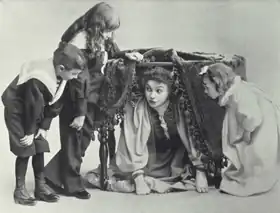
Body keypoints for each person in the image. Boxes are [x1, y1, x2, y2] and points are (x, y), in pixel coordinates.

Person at [44, 2, 143, 200]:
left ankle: (51, 176)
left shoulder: (97, 37)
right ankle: (71, 185)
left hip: (93, 96)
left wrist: (125, 54)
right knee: (75, 140)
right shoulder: (79, 41)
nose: (109, 36)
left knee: (83, 139)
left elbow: (108, 54)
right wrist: (80, 112)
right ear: (97, 26)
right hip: (77, 98)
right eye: (107, 31)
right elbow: (79, 80)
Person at [84, 65, 209, 195]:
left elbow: (192, 138)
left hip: (173, 159)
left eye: (159, 91)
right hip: (144, 158)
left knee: (185, 174)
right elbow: (130, 142)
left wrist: (200, 170)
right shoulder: (137, 108)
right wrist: (138, 178)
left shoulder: (179, 107)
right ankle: (139, 176)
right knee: (97, 177)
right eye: (148, 89)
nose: (152, 96)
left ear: (169, 91)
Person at [2, 43, 88, 206]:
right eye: (75, 73)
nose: (76, 77)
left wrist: (44, 126)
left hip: (35, 111)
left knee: (40, 144)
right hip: (18, 111)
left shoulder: (61, 75)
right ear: (61, 68)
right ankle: (19, 190)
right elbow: (31, 105)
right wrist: (29, 132)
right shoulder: (39, 78)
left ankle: (40, 186)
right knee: (25, 147)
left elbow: (55, 103)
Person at [199, 63, 280, 196]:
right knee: (246, 155)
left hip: (261, 126)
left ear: (218, 83)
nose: (205, 91)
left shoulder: (239, 94)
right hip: (257, 122)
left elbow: (253, 116)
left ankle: (255, 179)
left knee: (255, 155)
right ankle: (248, 174)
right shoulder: (234, 93)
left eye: (206, 87)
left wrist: (248, 131)